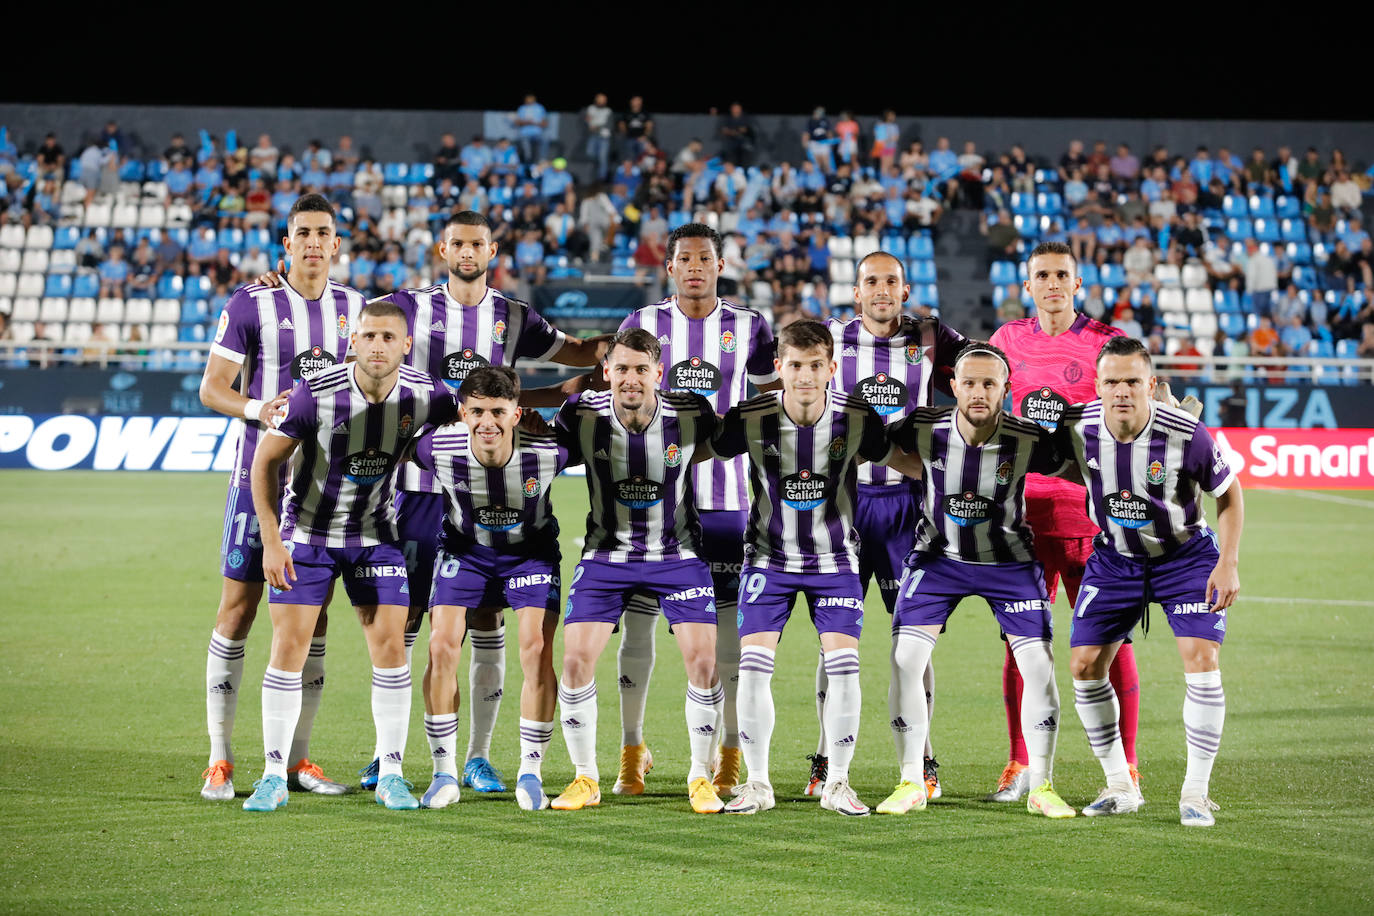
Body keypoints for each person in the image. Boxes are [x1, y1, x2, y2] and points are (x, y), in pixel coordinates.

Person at [255, 210, 605, 792]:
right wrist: (281, 279)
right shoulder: (405, 306)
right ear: (444, 249)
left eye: (478, 244)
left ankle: (479, 755)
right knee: (407, 623)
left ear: (493, 250)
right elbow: (349, 317)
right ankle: (385, 756)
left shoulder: (515, 316)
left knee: (488, 620)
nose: (467, 253)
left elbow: (570, 355)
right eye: (458, 243)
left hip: (484, 487)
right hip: (414, 492)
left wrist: (617, 354)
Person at [243, 300, 458, 812]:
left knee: (391, 652)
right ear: (352, 341)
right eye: (369, 336)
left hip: (377, 536)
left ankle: (391, 773)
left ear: (406, 345)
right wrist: (272, 541)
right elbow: (264, 463)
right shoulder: (314, 394)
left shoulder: (427, 394)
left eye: (389, 337)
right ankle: (273, 773)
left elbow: (477, 417)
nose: (378, 346)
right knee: (288, 649)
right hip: (309, 534)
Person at [196, 194, 364, 802]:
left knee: (311, 621)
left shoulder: (355, 308)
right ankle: (220, 758)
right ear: (286, 244)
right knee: (237, 612)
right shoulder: (250, 302)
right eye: (304, 233)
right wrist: (256, 407)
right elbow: (212, 388)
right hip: (258, 481)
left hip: (323, 491)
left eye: (325, 232)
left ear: (337, 243)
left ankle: (297, 760)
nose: (315, 242)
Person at [613, 223, 780, 799]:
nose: (694, 268)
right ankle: (632, 750)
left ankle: (728, 752)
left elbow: (767, 404)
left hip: (730, 501)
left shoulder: (749, 326)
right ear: (669, 266)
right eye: (684, 259)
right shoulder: (641, 325)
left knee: (728, 638)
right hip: (651, 504)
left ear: (720, 263)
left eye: (704, 259)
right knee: (638, 627)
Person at [882, 342, 1077, 818]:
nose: (978, 392)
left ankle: (1042, 784)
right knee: (906, 658)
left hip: (1008, 562)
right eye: (969, 382)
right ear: (954, 386)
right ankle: (911, 779)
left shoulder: (1028, 437)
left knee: (1038, 666)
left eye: (989, 383)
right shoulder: (924, 426)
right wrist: (920, 470)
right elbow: (877, 445)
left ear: (1006, 390)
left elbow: (1079, 464)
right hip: (937, 558)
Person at [713, 320, 897, 817]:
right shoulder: (749, 416)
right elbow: (697, 449)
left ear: (832, 368)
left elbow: (896, 457)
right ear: (779, 368)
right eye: (795, 365)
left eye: (816, 366)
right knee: (752, 671)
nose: (806, 377)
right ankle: (757, 784)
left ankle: (837, 782)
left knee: (844, 667)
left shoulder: (858, 417)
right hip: (767, 559)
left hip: (835, 560)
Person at [1059, 336, 1243, 826]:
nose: (1122, 391)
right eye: (1112, 381)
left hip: (1183, 558)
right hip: (1115, 559)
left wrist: (1228, 562)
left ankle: (1196, 793)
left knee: (1201, 659)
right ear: (1097, 385)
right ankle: (1120, 784)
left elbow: (1229, 495)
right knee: (1083, 666)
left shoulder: (1188, 434)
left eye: (1132, 382)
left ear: (1151, 384)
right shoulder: (1077, 426)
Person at [987, 240, 1142, 804]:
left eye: (1061, 275)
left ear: (1078, 283)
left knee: (1111, 641)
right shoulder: (1006, 341)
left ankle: (1125, 766)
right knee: (1019, 643)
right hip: (1021, 520)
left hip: (1090, 520)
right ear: (1027, 285)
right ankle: (1019, 764)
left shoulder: (1105, 344)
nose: (1052, 283)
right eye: (1041, 275)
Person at [551, 328, 725, 814]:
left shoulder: (691, 414)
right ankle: (586, 777)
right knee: (575, 661)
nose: (630, 379)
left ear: (658, 373)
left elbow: (722, 448)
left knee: (703, 662)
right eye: (621, 369)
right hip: (606, 556)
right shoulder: (581, 413)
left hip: (678, 554)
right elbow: (545, 455)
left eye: (640, 370)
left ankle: (699, 774)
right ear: (606, 371)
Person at [813, 251, 964, 800]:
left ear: (905, 290)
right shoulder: (830, 335)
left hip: (908, 508)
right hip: (844, 507)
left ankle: (922, 760)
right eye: (870, 281)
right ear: (856, 292)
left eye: (891, 282)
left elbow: (985, 371)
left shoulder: (930, 336)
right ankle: (826, 758)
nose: (881, 290)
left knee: (914, 644)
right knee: (834, 645)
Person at [409, 367, 566, 811]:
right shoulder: (437, 447)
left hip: (530, 554)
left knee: (536, 647)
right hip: (466, 552)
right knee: (441, 646)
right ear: (462, 413)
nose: (487, 423)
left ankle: (531, 772)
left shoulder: (551, 452)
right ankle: (443, 773)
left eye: (498, 411)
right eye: (476, 412)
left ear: (518, 413)